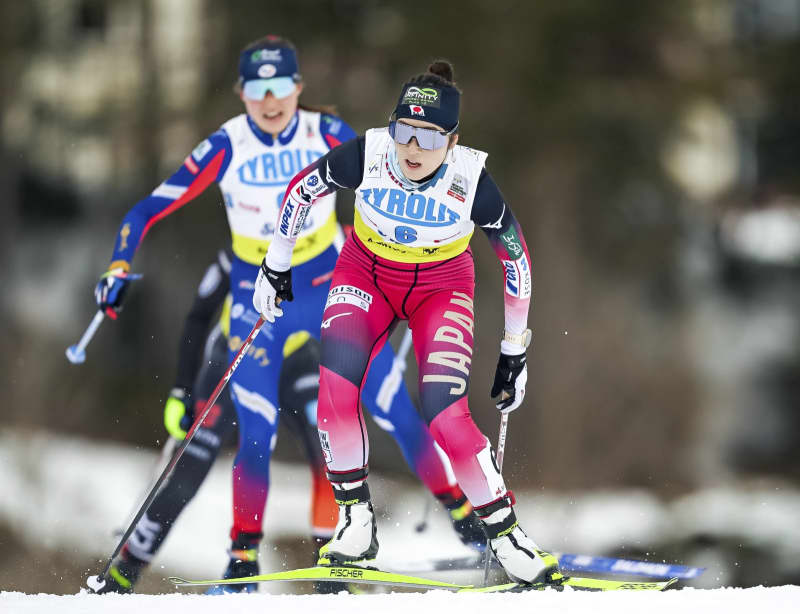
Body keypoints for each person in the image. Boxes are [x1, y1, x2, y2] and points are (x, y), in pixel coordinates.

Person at [93, 37, 483, 593]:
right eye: (257, 88)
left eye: (281, 87)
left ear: (299, 89)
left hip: (330, 280)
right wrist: (117, 266)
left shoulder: (322, 133)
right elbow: (146, 208)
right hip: (261, 293)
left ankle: (466, 517)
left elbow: (400, 168)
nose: (270, 100)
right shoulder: (226, 144)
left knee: (388, 402)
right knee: (257, 427)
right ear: (242, 93)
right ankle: (243, 558)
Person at [253, 60, 562, 585]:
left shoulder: (471, 180)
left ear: (453, 139)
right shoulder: (369, 155)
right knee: (333, 392)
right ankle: (355, 519)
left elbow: (516, 260)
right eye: (404, 131)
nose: (412, 148)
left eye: (428, 136)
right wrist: (275, 264)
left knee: (444, 413)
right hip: (366, 274)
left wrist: (515, 349)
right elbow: (301, 190)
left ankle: (507, 536)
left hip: (440, 288)